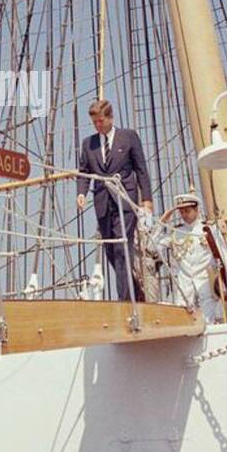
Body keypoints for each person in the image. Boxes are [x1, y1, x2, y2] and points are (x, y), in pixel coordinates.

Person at [77, 98, 151, 300]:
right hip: (102, 202)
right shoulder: (88, 143)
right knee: (111, 250)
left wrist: (147, 200)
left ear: (110, 118)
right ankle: (136, 293)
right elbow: (84, 171)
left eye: (101, 121)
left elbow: (141, 169)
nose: (98, 126)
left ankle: (125, 300)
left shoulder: (128, 137)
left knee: (121, 248)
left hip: (125, 200)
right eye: (94, 123)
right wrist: (82, 193)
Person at [153, 191, 215, 319]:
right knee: (183, 316)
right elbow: (151, 245)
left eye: (187, 211)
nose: (184, 215)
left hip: (205, 281)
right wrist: (162, 221)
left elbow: (222, 256)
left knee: (209, 320)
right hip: (184, 282)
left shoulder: (209, 230)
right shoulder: (175, 232)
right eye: (181, 212)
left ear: (196, 209)